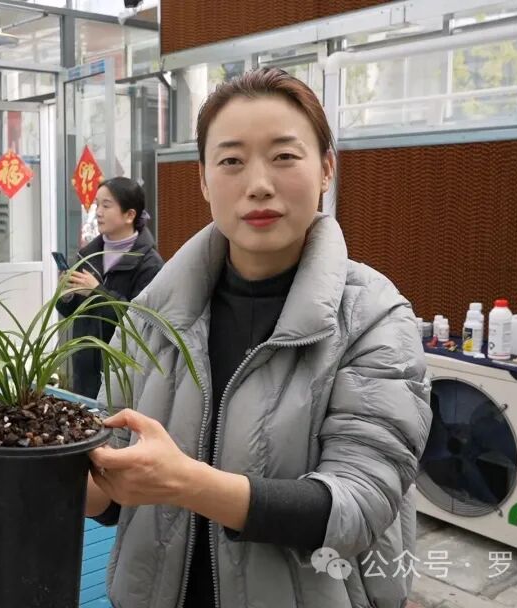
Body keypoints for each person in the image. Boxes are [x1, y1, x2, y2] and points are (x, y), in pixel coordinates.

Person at [84, 68, 432, 608]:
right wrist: (39, 463)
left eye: (284, 156)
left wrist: (187, 483)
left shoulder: (374, 317)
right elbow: (111, 488)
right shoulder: (151, 315)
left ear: (326, 169)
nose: (259, 184)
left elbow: (360, 503)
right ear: (204, 181)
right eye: (231, 161)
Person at [56, 176, 164, 400]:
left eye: (106, 205)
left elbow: (141, 322)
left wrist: (97, 293)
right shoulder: (88, 255)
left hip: (122, 373)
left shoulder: (149, 263)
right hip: (84, 371)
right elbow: (72, 312)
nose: (98, 212)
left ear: (129, 215)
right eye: (97, 205)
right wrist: (66, 295)